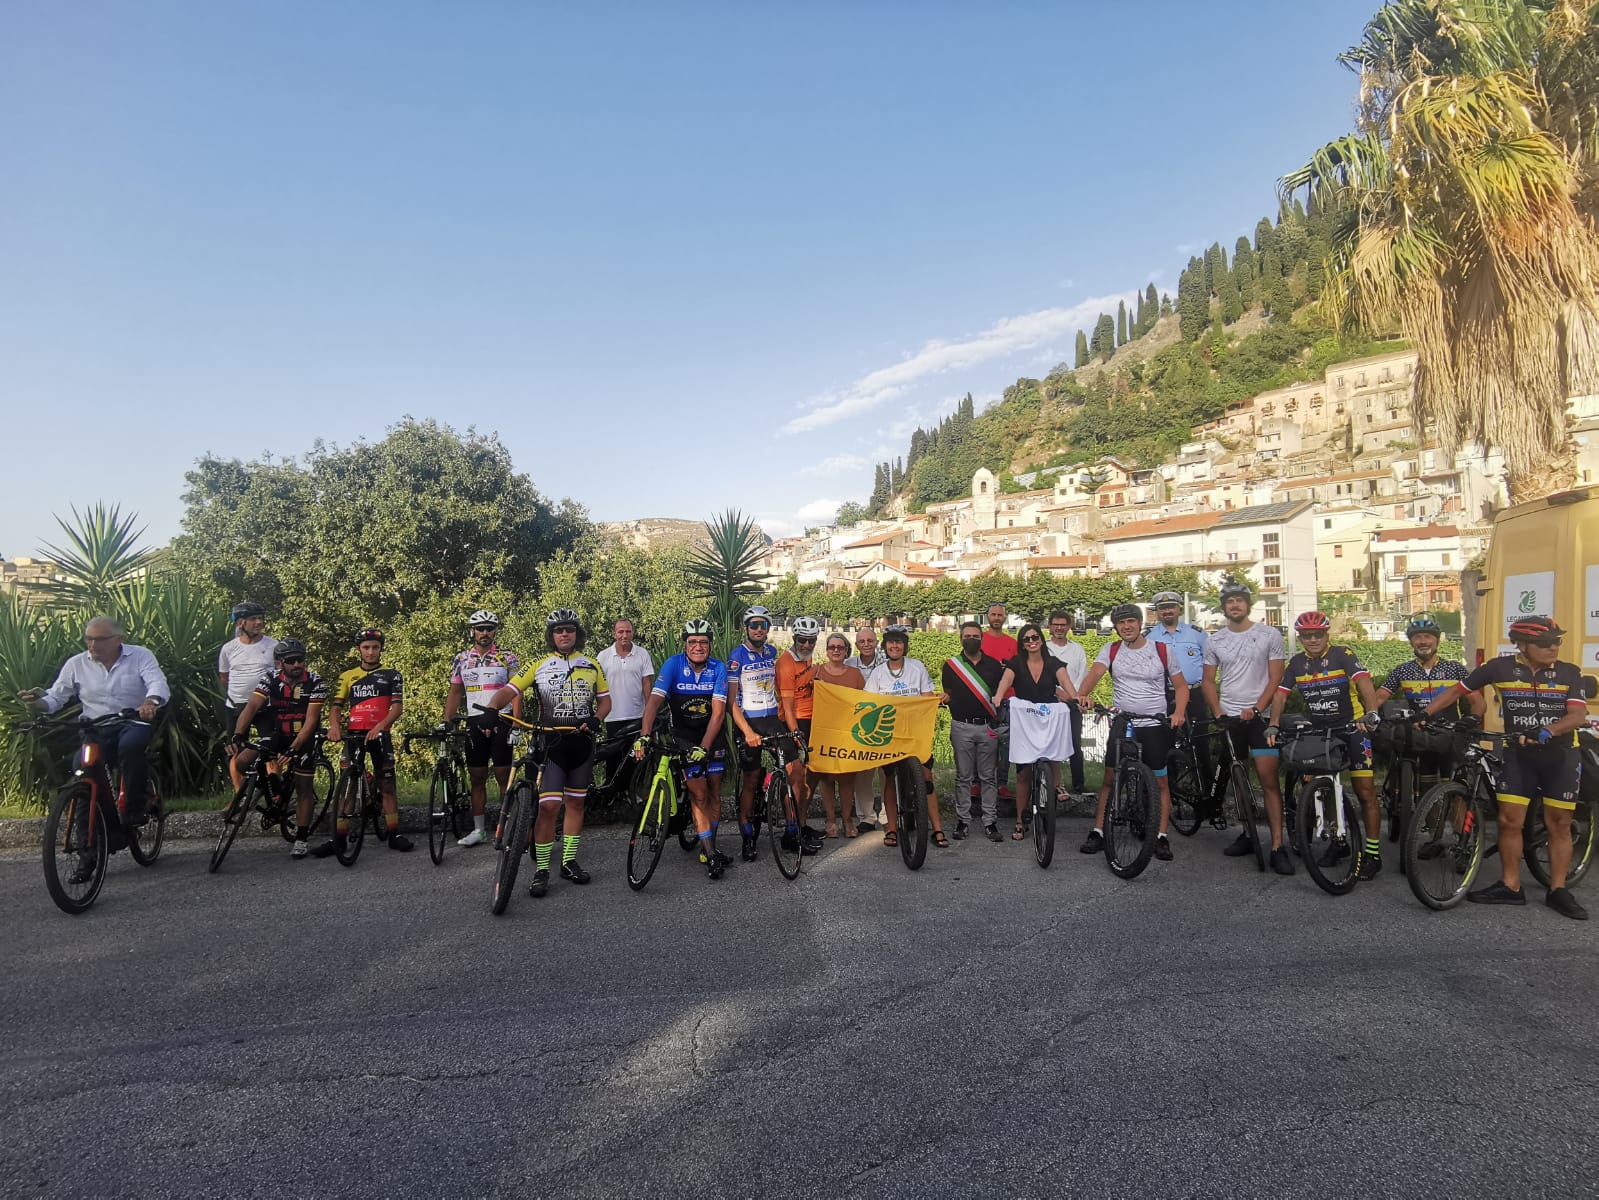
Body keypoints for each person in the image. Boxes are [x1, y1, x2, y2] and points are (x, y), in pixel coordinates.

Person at [1421, 616, 1591, 919]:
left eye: (1557, 641)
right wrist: (1425, 713)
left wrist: (1549, 730)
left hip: (1561, 756)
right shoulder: (1499, 668)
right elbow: (1456, 691)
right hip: (1518, 755)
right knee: (1509, 821)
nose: (1553, 647)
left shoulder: (1569, 672)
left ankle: (1558, 889)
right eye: (1544, 643)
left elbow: (1577, 717)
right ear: (1522, 645)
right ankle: (1511, 886)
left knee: (1559, 824)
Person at [22, 616, 169, 878]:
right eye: (88, 639)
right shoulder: (76, 664)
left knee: (130, 747)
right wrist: (36, 703)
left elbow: (157, 683)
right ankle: (87, 853)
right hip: (95, 728)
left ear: (118, 639)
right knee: (83, 772)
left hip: (132, 721)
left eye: (99, 639)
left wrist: (150, 701)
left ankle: (134, 808)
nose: (92, 644)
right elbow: (56, 697)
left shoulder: (140, 656)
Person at [488, 609, 610, 897]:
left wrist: (596, 719)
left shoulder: (591, 665)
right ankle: (542, 869)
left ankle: (568, 862)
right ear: (552, 635)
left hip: (581, 743)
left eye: (569, 629)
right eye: (558, 630)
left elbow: (606, 702)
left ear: (577, 633)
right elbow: (508, 690)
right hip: (550, 744)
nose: (564, 634)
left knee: (576, 805)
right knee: (548, 807)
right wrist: (492, 710)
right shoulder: (538, 664)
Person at [1265, 611, 1383, 877]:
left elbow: (1364, 683)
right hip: (1322, 732)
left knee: (1365, 790)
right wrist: (1273, 723)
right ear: (1300, 637)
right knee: (1324, 789)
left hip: (1353, 728)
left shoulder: (1343, 654)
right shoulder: (1296, 663)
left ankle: (1373, 854)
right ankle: (1338, 841)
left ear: (1326, 635)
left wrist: (1372, 712)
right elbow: (1281, 696)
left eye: (1318, 634)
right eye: (1307, 636)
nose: (1313, 640)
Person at [1076, 604, 1187, 861]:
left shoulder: (1161, 650)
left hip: (1154, 723)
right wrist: (1083, 694)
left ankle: (1161, 836)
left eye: (1130, 622)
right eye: (1121, 623)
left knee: (1160, 782)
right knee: (1109, 778)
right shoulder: (1111, 649)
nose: (1126, 627)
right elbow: (1095, 673)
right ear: (1116, 627)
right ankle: (1099, 831)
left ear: (1139, 624)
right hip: (1123, 721)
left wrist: (1178, 712)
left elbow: (1181, 687)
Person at [1202, 582, 1290, 874]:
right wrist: (1217, 711)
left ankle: (1278, 845)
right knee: (1238, 777)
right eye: (1230, 602)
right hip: (1229, 715)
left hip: (1260, 717)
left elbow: (1276, 677)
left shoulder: (1268, 634)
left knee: (1268, 779)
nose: (1235, 605)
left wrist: (1257, 708)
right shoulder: (1215, 641)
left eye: (1240, 601)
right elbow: (1207, 681)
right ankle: (1248, 833)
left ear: (1248, 605)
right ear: (1224, 607)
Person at [635, 619, 731, 880]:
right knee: (699, 794)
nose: (698, 646)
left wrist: (706, 746)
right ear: (685, 645)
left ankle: (709, 838)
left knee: (714, 790)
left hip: (712, 736)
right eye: (692, 642)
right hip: (685, 738)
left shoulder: (718, 668)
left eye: (703, 642)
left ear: (710, 644)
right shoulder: (673, 664)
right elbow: (653, 704)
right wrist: (645, 735)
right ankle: (710, 852)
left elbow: (718, 714)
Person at [1372, 614, 1484, 817]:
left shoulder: (1455, 669)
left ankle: (1459, 838)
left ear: (1437, 640)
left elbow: (1477, 702)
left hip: (1451, 734)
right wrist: (1367, 716)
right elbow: (1379, 696)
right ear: (1411, 642)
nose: (1423, 641)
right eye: (1417, 637)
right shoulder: (1402, 671)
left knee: (1457, 790)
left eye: (1428, 636)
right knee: (1427, 791)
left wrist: (1472, 722)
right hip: (1421, 734)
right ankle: (1434, 840)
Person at [230, 638, 325, 858]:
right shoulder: (271, 678)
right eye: (291, 660)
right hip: (277, 733)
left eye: (300, 659)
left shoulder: (315, 681)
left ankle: (301, 838)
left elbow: (311, 720)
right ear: (279, 663)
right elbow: (252, 706)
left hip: (304, 736)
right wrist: (238, 734)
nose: (297, 664)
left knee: (303, 786)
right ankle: (265, 786)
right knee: (241, 761)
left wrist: (294, 748)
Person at [327, 627, 413, 854]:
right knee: (348, 786)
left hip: (379, 734)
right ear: (359, 650)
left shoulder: (392, 674)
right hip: (354, 734)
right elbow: (336, 707)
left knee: (387, 785)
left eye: (375, 647)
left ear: (381, 649)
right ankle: (340, 837)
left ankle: (394, 833)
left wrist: (380, 727)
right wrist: (334, 727)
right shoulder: (347, 676)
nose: (371, 652)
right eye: (366, 648)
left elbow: (397, 707)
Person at [862, 625, 946, 849]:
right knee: (888, 780)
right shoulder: (878, 673)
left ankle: (937, 828)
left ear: (905, 646)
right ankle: (891, 827)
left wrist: (935, 701)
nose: (895, 646)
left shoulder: (916, 667)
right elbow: (870, 704)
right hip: (890, 735)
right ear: (885, 646)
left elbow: (926, 696)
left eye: (899, 642)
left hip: (915, 731)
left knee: (926, 778)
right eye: (890, 642)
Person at [442, 609, 521, 847]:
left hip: (502, 719)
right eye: (480, 628)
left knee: (503, 774)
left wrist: (517, 724)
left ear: (495, 631)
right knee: (477, 776)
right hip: (474, 720)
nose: (484, 632)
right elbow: (455, 692)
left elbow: (517, 693)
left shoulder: (508, 658)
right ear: (472, 631)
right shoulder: (462, 659)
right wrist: (446, 721)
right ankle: (479, 830)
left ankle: (506, 827)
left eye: (489, 628)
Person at [994, 623, 1077, 842]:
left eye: (1034, 637)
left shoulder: (1054, 663)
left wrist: (1075, 696)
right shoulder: (1016, 663)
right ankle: (1020, 822)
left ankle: (1057, 785)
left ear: (1041, 639)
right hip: (1025, 718)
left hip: (1048, 714)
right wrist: (998, 695)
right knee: (1023, 773)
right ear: (1022, 643)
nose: (1031, 642)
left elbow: (1065, 681)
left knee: (1054, 749)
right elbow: (1006, 680)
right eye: (1026, 639)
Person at [727, 605, 785, 861]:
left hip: (771, 718)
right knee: (750, 779)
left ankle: (793, 830)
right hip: (748, 721)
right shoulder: (737, 656)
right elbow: (730, 703)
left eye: (763, 625)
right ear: (746, 628)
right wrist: (748, 731)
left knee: (791, 770)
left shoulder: (772, 652)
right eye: (754, 625)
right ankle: (747, 835)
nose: (759, 629)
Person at [941, 620, 1005, 842]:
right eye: (967, 636)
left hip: (987, 726)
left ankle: (990, 822)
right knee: (963, 777)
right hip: (961, 726)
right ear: (960, 639)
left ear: (981, 638)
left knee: (989, 777)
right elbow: (947, 692)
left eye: (976, 636)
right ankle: (963, 821)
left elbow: (999, 694)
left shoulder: (994, 666)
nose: (971, 639)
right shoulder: (951, 666)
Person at [1146, 591, 1210, 777]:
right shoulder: (1149, 637)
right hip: (1165, 695)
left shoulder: (1196, 634)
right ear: (1157, 612)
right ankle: (1169, 789)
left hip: (1195, 694)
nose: (1167, 611)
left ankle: (1206, 789)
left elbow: (1209, 663)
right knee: (1165, 743)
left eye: (1171, 607)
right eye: (1162, 608)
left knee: (1200, 742)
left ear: (1179, 609)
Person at [594, 616, 655, 802]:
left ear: (632, 632)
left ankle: (632, 794)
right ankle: (612, 796)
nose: (624, 635)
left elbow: (647, 684)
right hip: (612, 715)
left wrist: (649, 711)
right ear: (614, 634)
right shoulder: (603, 656)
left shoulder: (642, 654)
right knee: (612, 758)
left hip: (637, 715)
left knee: (635, 757)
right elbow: (596, 686)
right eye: (620, 631)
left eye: (628, 631)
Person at [218, 601, 277, 791]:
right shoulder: (228, 648)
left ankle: (276, 793)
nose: (259, 622)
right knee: (234, 749)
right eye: (253, 619)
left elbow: (280, 674)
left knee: (270, 749)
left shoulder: (273, 645)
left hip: (265, 705)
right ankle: (239, 795)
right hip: (236, 705)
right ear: (240, 623)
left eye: (261, 618)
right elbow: (224, 676)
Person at [776, 616, 823, 850]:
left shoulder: (807, 658)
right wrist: (795, 733)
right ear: (794, 638)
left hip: (810, 719)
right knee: (794, 780)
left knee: (806, 780)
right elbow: (787, 704)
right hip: (792, 722)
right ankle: (790, 832)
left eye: (811, 641)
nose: (806, 645)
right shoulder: (786, 662)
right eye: (802, 640)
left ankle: (802, 825)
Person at [813, 632, 866, 837]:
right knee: (826, 779)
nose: (836, 650)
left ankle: (847, 819)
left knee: (846, 779)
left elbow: (864, 703)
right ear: (826, 650)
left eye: (840, 647)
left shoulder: (855, 675)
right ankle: (830, 820)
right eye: (832, 647)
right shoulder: (817, 672)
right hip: (823, 732)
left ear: (846, 651)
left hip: (847, 733)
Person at [1044, 610, 1090, 796]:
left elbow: (1083, 675)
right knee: (1049, 744)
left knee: (1074, 744)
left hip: (1073, 704)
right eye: (1056, 624)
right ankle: (1049, 783)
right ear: (1050, 627)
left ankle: (1078, 785)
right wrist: (1058, 692)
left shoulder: (1077, 648)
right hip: (1050, 703)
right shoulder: (1043, 648)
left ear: (1069, 627)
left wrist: (1076, 697)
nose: (1060, 628)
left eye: (1063, 624)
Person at [980, 603, 1019, 809]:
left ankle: (1002, 783)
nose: (996, 618)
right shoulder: (980, 640)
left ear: (1005, 618)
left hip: (1009, 698)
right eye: (993, 614)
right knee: (983, 741)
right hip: (984, 697)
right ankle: (979, 783)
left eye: (1000, 615)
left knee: (1006, 743)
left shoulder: (1012, 643)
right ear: (988, 617)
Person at [845, 625, 883, 831]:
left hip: (884, 721)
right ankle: (867, 817)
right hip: (859, 724)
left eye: (870, 641)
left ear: (876, 643)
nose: (866, 645)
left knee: (887, 772)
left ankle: (888, 815)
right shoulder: (848, 664)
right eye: (862, 642)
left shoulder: (888, 663)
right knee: (862, 773)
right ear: (857, 644)